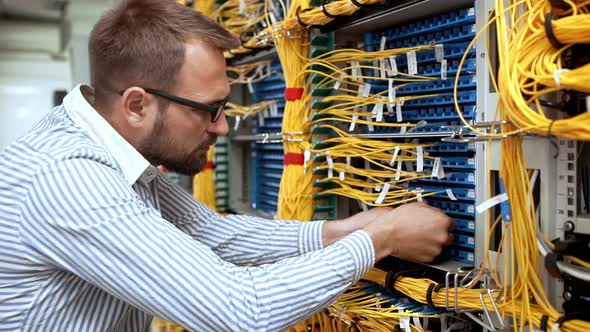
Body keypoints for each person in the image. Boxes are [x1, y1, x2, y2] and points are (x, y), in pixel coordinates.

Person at [0, 0, 453, 330]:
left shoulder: (108, 146)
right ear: (136, 104)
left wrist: (338, 232)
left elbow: (213, 234)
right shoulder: (69, 178)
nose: (220, 129)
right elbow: (241, 311)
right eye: (209, 109)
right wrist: (383, 238)